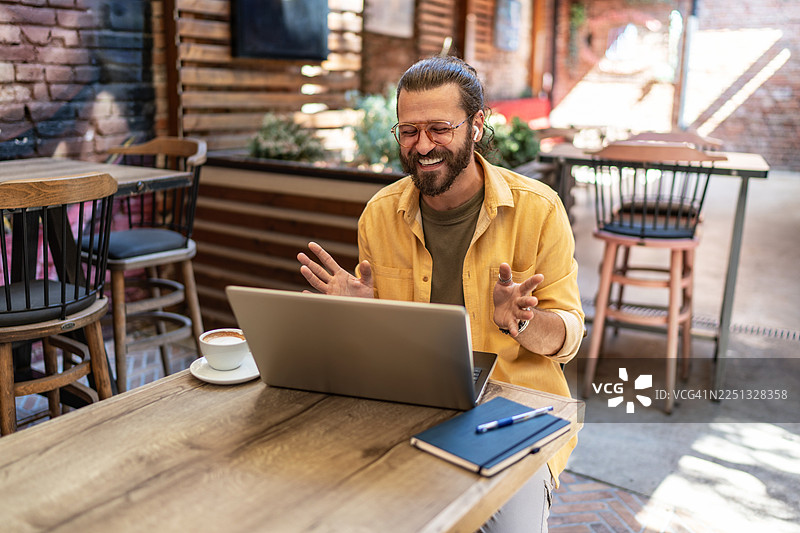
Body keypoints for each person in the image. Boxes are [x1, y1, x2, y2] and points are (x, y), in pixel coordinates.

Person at [297, 55, 583, 532]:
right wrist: (358, 321)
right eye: (408, 131)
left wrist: (524, 322)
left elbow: (569, 336)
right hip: (412, 408)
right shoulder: (379, 215)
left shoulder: (539, 210)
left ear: (476, 125)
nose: (422, 146)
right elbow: (378, 354)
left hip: (512, 415)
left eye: (439, 128)